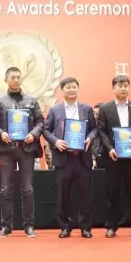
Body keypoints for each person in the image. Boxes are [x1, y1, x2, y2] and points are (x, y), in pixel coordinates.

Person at [0, 67, 44, 238]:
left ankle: (29, 226)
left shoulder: (31, 101)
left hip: (27, 149)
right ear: (6, 80)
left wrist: (33, 134)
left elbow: (41, 122)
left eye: (19, 77)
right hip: (7, 150)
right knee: (5, 189)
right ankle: (6, 226)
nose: (16, 80)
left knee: (27, 189)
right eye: (13, 77)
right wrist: (1, 134)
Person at [42, 77, 97, 238]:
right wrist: (56, 141)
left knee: (85, 195)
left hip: (82, 158)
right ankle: (65, 226)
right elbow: (46, 130)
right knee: (63, 195)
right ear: (62, 90)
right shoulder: (55, 110)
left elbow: (94, 129)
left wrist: (90, 138)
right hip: (63, 158)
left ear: (78, 89)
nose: (72, 90)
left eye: (74, 87)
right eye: (68, 87)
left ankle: (85, 227)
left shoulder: (86, 108)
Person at [97, 75, 131, 238]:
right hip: (113, 157)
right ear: (113, 88)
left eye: (126, 85)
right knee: (113, 192)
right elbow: (101, 132)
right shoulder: (105, 108)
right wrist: (110, 148)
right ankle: (111, 226)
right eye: (120, 85)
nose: (123, 88)